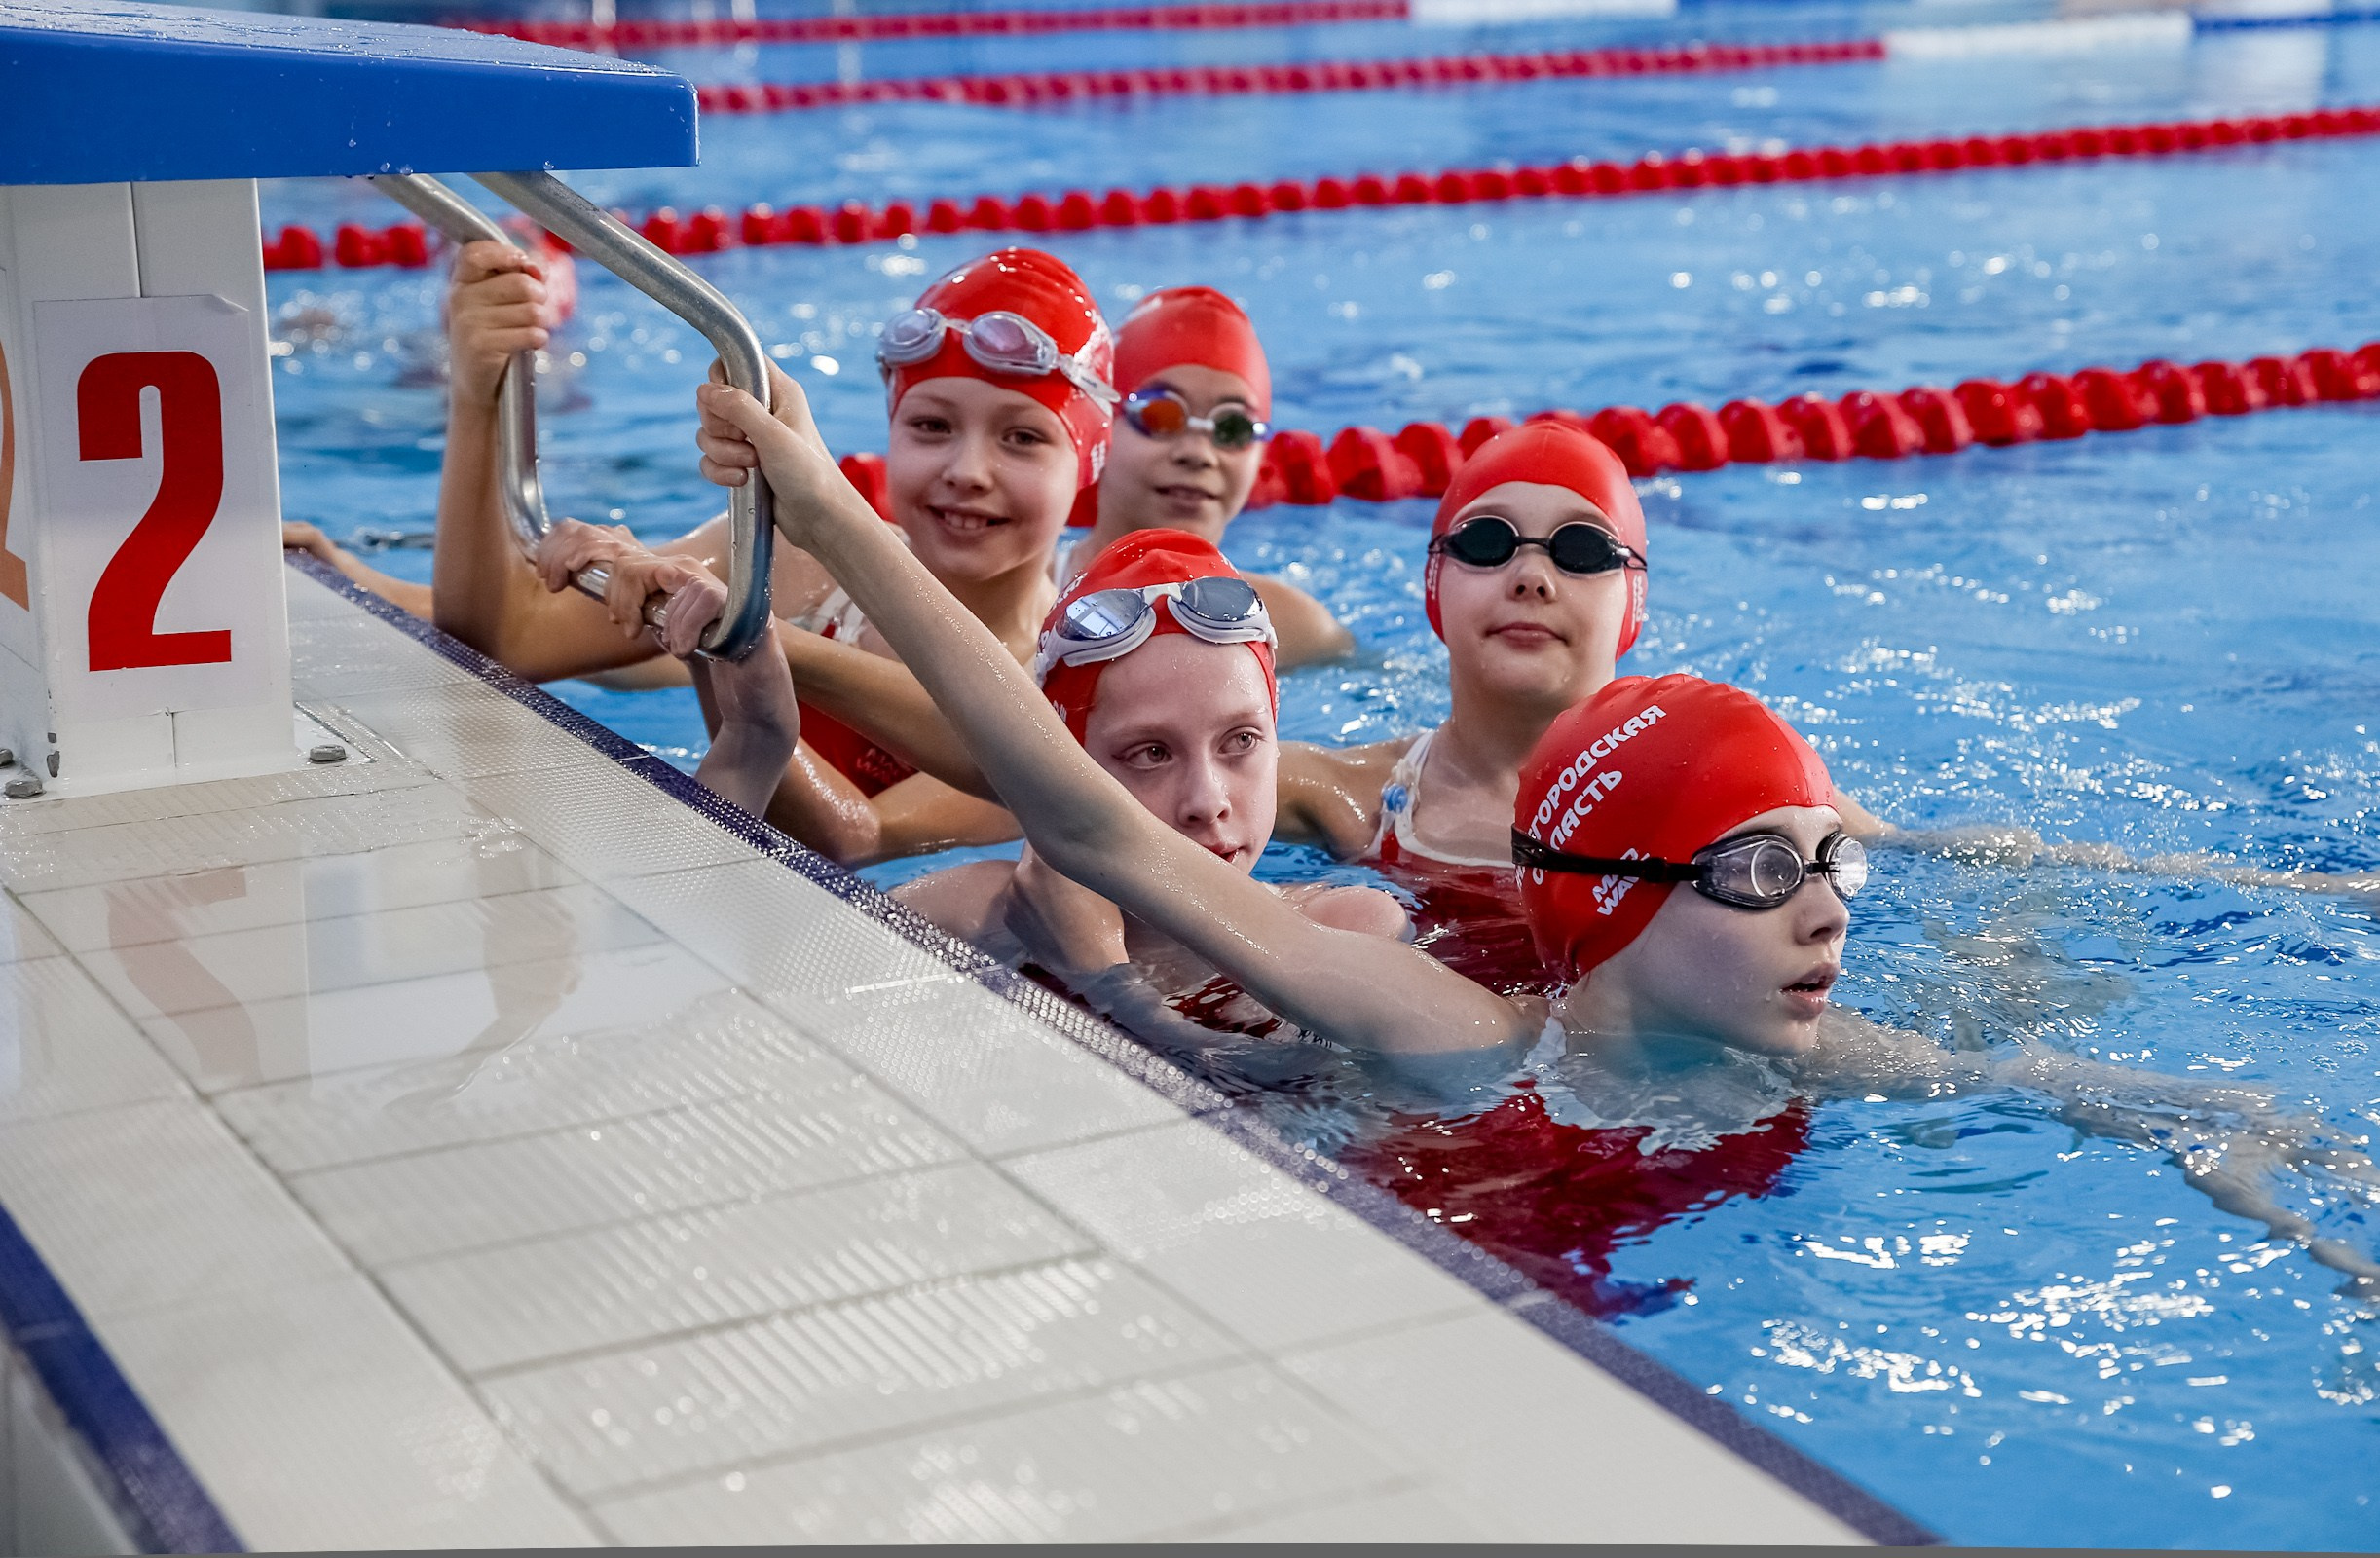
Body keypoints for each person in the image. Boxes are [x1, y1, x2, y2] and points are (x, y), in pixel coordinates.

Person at [648, 370, 2380, 1293]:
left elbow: (2129, 1100)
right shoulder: (1452, 1024)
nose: (1822, 914)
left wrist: (2279, 1180)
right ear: (1609, 903)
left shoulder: (1812, 1053)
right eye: (1766, 871)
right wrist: (825, 522)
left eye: (1826, 867)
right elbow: (1085, 816)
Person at [432, 244, 1115, 865]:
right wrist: (477, 394)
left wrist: (723, 632)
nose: (969, 470)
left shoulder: (1077, 688)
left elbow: (849, 837)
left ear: (1089, 464)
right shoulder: (797, 562)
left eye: (1023, 438)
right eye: (931, 425)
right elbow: (502, 641)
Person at [887, 528, 1404, 1020]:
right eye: (1152, 754)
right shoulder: (960, 918)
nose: (1207, 800)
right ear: (1065, 764)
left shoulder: (1351, 932)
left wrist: (1101, 979)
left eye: (1241, 741)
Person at [1062, 287, 1351, 667]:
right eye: (1161, 415)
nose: (1198, 454)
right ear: (1100, 424)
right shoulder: (1018, 599)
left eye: (1232, 428)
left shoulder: (1296, 633)